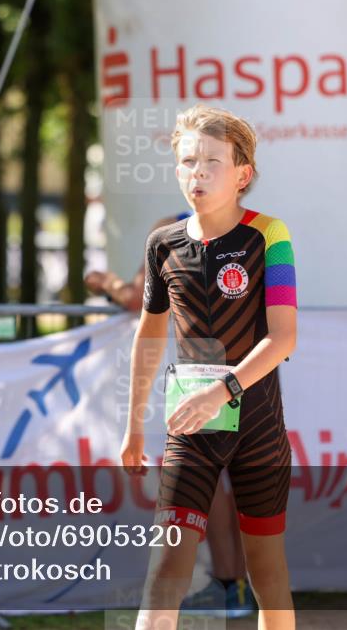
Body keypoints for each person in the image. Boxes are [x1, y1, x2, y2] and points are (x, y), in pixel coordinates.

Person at [122, 104, 297, 630]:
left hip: (258, 427)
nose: (197, 172)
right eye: (188, 161)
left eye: (212, 161)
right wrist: (133, 424)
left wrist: (222, 391)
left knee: (267, 575)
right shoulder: (163, 244)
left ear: (242, 174)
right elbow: (150, 334)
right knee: (165, 572)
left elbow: (284, 338)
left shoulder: (269, 234)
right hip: (190, 430)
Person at [86, 213, 258, 618]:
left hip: (203, 370)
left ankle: (229, 585)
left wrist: (100, 281)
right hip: (250, 370)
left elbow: (135, 297)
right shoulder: (253, 231)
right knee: (234, 481)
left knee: (206, 484)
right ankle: (238, 585)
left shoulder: (169, 231)